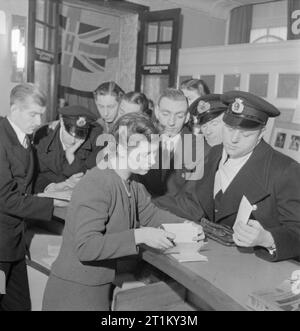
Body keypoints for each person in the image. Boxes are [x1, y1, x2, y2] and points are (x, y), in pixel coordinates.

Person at [42, 113, 204, 311]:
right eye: (145, 154)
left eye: (154, 154)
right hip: (74, 291)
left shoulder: (132, 183)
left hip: (97, 284)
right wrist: (140, 235)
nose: (152, 161)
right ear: (120, 149)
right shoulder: (97, 183)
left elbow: (150, 214)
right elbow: (86, 246)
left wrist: (185, 225)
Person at [156, 91, 300, 262]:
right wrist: (140, 205)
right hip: (216, 258)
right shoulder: (215, 153)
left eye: (246, 134)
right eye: (230, 129)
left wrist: (268, 239)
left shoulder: (284, 169)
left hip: (260, 264)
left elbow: (296, 230)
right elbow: (191, 202)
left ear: (261, 133)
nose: (233, 140)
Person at [0, 83, 69, 311]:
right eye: (33, 114)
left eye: (41, 114)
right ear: (15, 109)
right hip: (1, 247)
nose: (38, 121)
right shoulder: (2, 140)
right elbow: (7, 199)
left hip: (14, 243)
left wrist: (56, 187)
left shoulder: (23, 136)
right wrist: (51, 203)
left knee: (19, 305)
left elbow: (28, 180)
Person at [140, 88, 208, 198]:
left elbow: (192, 199)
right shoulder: (143, 142)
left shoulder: (200, 149)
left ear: (187, 117)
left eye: (179, 116)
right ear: (157, 112)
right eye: (166, 114)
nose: (171, 122)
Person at [33, 105, 103, 193]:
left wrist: (71, 158)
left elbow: (96, 178)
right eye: (71, 134)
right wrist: (58, 186)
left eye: (80, 135)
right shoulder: (42, 140)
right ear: (62, 122)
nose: (73, 140)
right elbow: (35, 176)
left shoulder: (97, 139)